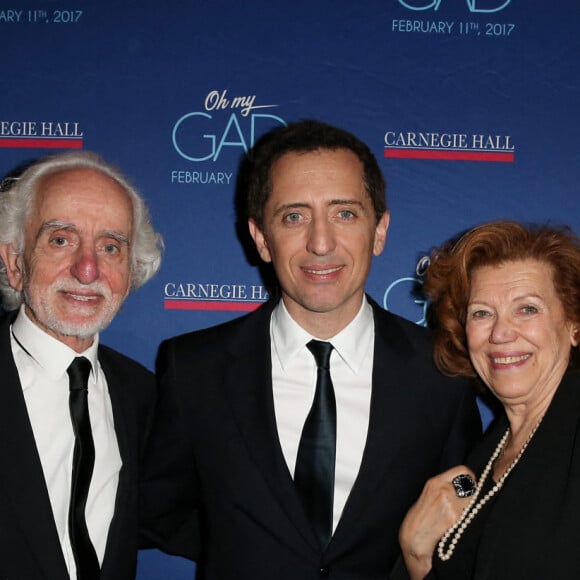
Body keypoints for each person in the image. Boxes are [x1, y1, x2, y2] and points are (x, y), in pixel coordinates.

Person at [140, 119, 481, 579]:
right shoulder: (194, 369)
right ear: (262, 238)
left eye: (345, 213)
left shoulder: (441, 370)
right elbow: (161, 508)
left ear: (379, 231)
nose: (321, 243)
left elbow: (463, 522)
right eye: (294, 216)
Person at [0, 151, 163, 580]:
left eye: (110, 247)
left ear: (130, 273)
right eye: (61, 239)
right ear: (15, 262)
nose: (87, 269)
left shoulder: (143, 396)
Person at [396, 220, 580, 579]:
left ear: (573, 324)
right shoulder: (484, 455)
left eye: (527, 308)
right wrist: (416, 554)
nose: (500, 332)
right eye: (482, 313)